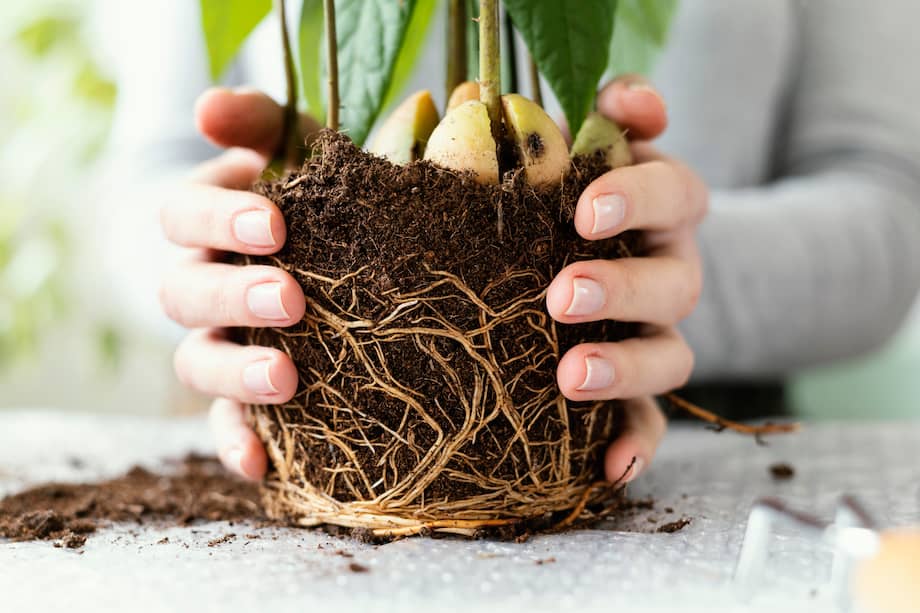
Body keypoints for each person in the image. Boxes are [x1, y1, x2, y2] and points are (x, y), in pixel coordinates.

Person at [113, 1, 920, 484]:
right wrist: (238, 267)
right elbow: (139, 180)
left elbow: (888, 204)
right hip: (322, 412)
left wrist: (649, 274)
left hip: (697, 458)